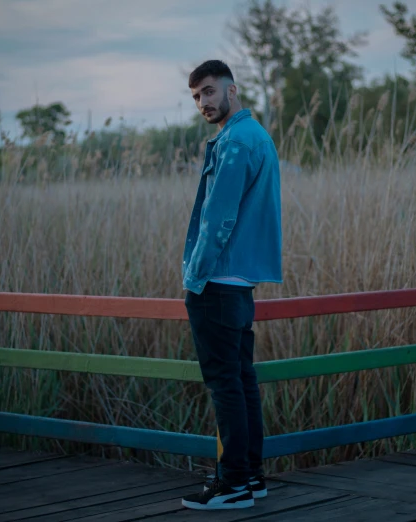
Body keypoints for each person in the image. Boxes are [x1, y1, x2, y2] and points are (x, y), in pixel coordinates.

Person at [180, 59, 283, 511]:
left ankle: (235, 483)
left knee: (225, 384)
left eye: (208, 91)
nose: (203, 102)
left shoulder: (236, 140)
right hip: (240, 282)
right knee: (242, 381)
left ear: (231, 89)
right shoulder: (258, 135)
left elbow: (217, 217)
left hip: (218, 280)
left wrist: (194, 276)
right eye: (197, 96)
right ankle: (250, 477)